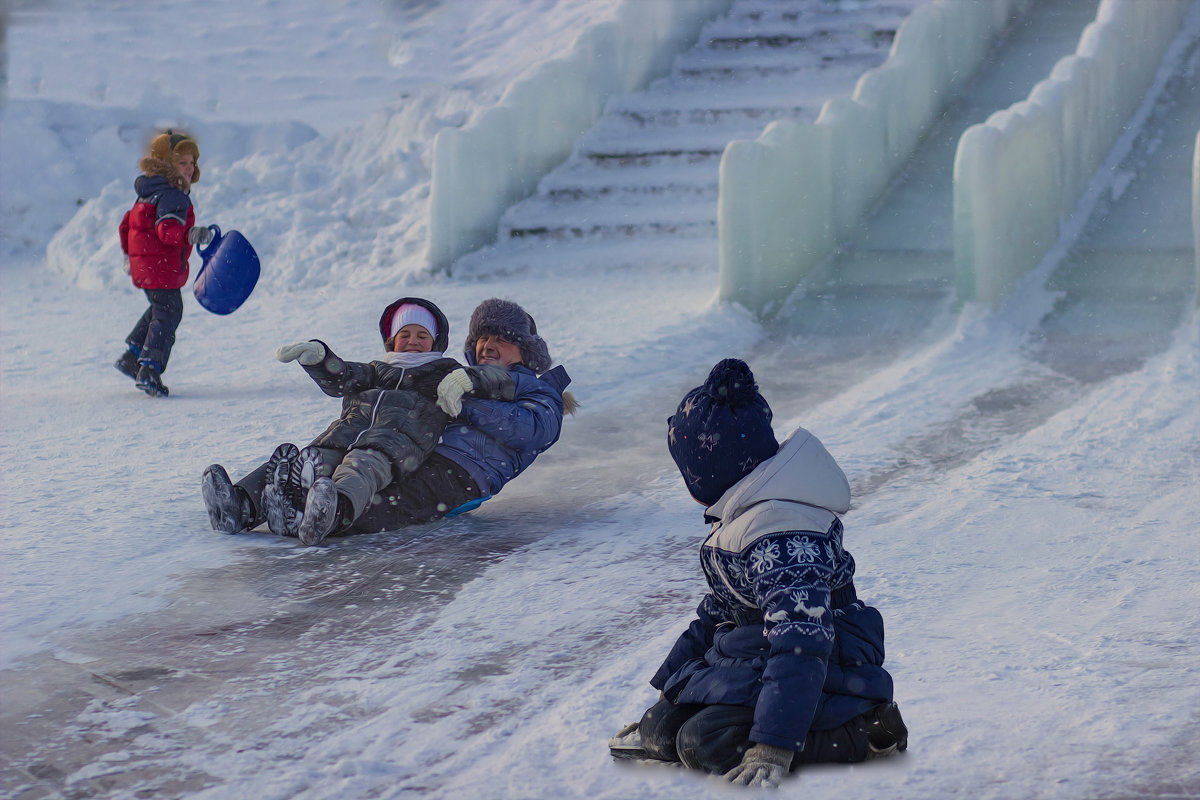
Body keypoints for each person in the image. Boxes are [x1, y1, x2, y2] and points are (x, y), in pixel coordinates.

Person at [608, 359, 906, 788]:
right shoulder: (744, 520)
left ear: (709, 471)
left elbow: (802, 642)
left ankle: (868, 733)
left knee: (703, 740)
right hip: (760, 654)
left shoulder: (781, 535)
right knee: (663, 728)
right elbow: (715, 615)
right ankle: (696, 721)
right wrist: (667, 692)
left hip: (832, 666)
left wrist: (773, 746)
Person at [203, 297, 573, 546]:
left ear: (525, 351)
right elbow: (353, 377)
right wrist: (321, 361)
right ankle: (248, 503)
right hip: (414, 451)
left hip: (460, 475)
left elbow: (528, 429)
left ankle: (315, 518)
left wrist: (464, 402)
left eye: (502, 339)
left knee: (380, 500)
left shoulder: (539, 392)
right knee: (315, 461)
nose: (488, 345)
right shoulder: (459, 375)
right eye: (482, 338)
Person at [116, 129, 214, 397]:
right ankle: (149, 368)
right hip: (160, 268)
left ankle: (132, 355)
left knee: (161, 308)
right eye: (182, 162)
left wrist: (129, 257)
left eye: (192, 162)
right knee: (169, 312)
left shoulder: (148, 191)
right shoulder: (172, 195)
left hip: (145, 267)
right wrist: (189, 234)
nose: (189, 168)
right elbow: (166, 229)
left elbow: (126, 224)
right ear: (167, 165)